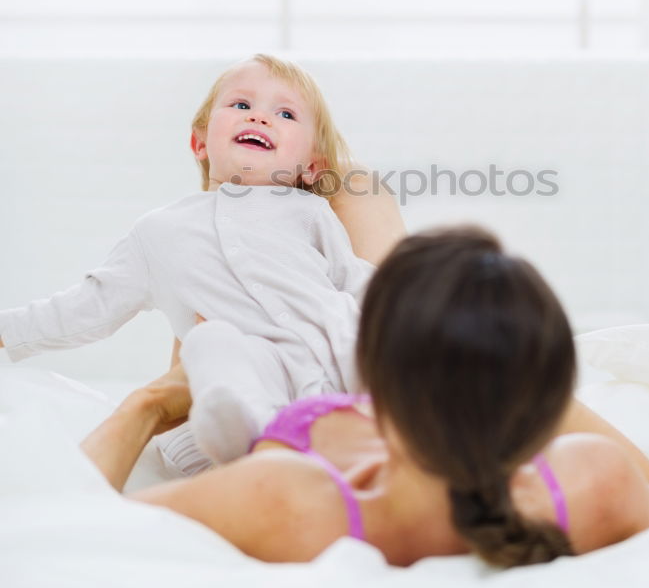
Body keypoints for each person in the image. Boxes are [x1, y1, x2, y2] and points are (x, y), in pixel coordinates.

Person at [81, 226, 649, 568]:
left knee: (341, 245)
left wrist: (151, 404)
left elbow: (71, 528)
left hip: (301, 415)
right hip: (438, 411)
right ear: (543, 400)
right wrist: (506, 370)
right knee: (360, 227)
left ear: (369, 370)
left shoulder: (287, 498)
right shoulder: (589, 484)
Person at [0, 54, 405, 476]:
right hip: (257, 366)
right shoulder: (160, 231)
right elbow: (87, 307)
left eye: (285, 113)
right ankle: (246, 428)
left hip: (338, 350)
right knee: (210, 344)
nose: (261, 118)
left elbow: (352, 279)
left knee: (380, 348)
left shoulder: (311, 211)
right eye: (241, 105)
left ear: (311, 166)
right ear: (199, 142)